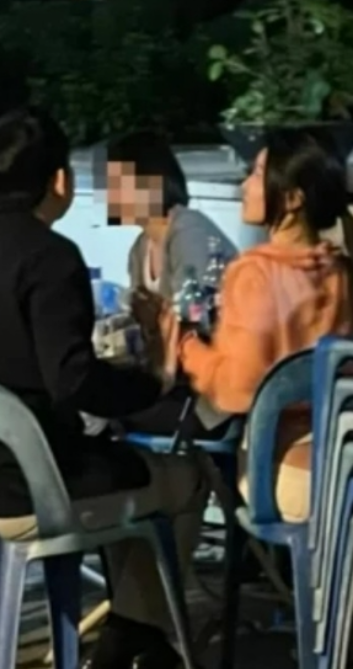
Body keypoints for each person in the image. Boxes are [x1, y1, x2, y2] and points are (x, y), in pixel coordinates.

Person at [0, 107, 209, 669]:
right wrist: (156, 380)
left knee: (127, 481)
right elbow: (73, 381)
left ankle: (130, 650)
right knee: (186, 479)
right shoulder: (51, 257)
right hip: (36, 486)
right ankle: (126, 645)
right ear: (59, 180)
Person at [167, 128, 353, 522]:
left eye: (257, 175)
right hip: (347, 461)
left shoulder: (255, 274)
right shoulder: (342, 271)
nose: (244, 186)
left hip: (281, 473)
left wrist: (185, 345)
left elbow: (235, 392)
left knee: (184, 469)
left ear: (292, 198)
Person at [106, 130, 240, 439]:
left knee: (108, 417)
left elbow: (196, 319)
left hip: (211, 397)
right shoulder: (139, 250)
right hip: (175, 385)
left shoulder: (189, 231)